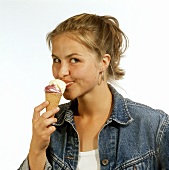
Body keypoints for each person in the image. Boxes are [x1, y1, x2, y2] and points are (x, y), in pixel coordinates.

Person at [19, 13, 169, 170]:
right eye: (57, 60)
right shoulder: (52, 126)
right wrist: (36, 149)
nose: (61, 72)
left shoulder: (154, 127)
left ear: (103, 63)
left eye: (74, 60)